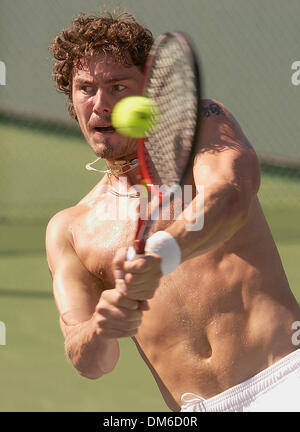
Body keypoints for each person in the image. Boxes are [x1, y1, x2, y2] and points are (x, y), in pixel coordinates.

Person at [46, 11, 300, 412]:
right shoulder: (70, 230)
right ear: (70, 95)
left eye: (117, 86)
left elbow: (230, 198)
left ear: (149, 92)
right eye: (85, 88)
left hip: (287, 379)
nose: (101, 104)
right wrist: (101, 328)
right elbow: (91, 362)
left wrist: (162, 253)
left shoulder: (200, 124)